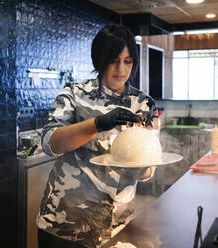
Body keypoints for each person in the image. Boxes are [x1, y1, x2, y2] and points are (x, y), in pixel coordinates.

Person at [37, 24, 159, 248]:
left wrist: (143, 168)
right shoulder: (74, 94)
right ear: (99, 61)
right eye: (114, 60)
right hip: (66, 225)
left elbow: (151, 164)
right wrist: (97, 124)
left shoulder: (144, 104)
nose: (121, 69)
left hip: (117, 226)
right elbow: (50, 143)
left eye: (128, 61)